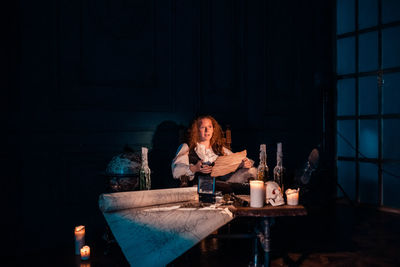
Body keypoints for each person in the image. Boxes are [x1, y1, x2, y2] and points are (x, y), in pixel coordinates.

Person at [171, 115, 257, 187]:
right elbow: (176, 170)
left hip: (221, 187)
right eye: (203, 127)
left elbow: (237, 159)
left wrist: (243, 163)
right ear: (197, 130)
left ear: (213, 129)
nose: (207, 130)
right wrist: (195, 168)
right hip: (198, 187)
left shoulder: (220, 149)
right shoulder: (187, 147)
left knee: (252, 171)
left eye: (209, 127)